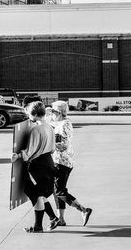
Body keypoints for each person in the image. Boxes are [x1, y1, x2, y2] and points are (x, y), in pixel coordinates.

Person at [17, 101, 63, 233]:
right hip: (49, 162)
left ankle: (38, 226)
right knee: (40, 194)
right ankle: (53, 218)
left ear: (34, 114)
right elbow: (53, 148)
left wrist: (18, 156)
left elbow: (29, 153)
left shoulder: (36, 129)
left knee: (36, 195)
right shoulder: (49, 127)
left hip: (38, 166)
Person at [49, 100, 92, 226]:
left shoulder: (64, 125)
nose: (51, 114)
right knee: (57, 190)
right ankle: (61, 219)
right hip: (59, 161)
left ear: (59, 112)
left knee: (59, 191)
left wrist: (49, 144)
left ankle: (83, 210)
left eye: (53, 112)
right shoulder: (59, 122)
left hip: (62, 162)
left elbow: (63, 145)